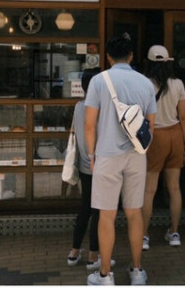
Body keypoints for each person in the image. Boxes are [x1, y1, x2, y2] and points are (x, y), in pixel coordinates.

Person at [84, 35, 157, 285]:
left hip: (106, 155)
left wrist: (92, 156)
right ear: (132, 56)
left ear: (108, 57)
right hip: (137, 156)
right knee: (135, 213)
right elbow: (151, 125)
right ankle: (137, 271)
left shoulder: (98, 81)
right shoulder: (146, 83)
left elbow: (89, 125)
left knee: (107, 215)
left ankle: (105, 275)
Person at [67, 68, 116, 271]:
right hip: (100, 164)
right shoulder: (101, 108)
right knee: (99, 212)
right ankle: (93, 256)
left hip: (85, 167)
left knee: (85, 208)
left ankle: (74, 252)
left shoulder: (79, 106)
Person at [141, 45, 185, 249]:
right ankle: (175, 232)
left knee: (149, 190)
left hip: (155, 135)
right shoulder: (178, 84)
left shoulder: (143, 84)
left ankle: (143, 235)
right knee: (174, 188)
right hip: (175, 134)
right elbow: (183, 116)